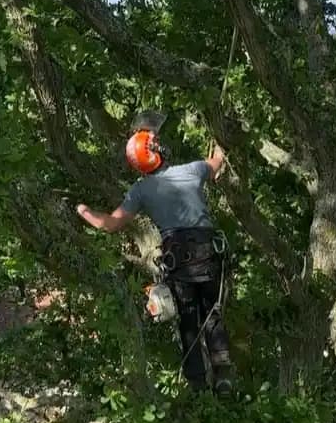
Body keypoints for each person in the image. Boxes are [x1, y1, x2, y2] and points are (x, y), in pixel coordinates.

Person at [75, 111, 234, 397]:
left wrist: (84, 211)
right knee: (213, 314)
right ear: (158, 152)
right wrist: (219, 138)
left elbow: (109, 224)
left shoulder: (141, 190)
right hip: (208, 254)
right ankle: (223, 377)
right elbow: (217, 162)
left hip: (179, 262)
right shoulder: (193, 170)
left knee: (188, 321)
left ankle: (198, 387)